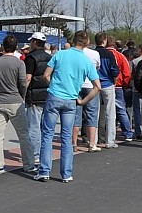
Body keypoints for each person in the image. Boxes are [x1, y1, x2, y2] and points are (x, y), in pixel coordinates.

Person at [34, 30, 100, 183]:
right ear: (86, 43)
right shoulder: (86, 62)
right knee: (66, 137)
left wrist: (53, 85)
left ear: (74, 40)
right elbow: (97, 86)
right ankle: (66, 173)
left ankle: (44, 171)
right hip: (71, 99)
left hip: (55, 96)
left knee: (47, 134)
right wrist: (83, 101)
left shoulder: (60, 54)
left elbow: (46, 75)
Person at [0, 35, 36, 174]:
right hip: (15, 101)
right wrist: (22, 95)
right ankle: (28, 164)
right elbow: (22, 82)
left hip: (1, 101)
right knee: (23, 134)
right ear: (16, 47)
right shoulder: (19, 63)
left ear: (3, 46)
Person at [24, 32, 52, 164]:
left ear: (35, 42)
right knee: (45, 127)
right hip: (47, 94)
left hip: (34, 96)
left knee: (34, 127)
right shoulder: (50, 57)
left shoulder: (31, 58)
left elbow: (27, 78)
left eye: (31, 41)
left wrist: (22, 93)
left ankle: (35, 154)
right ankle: (45, 152)